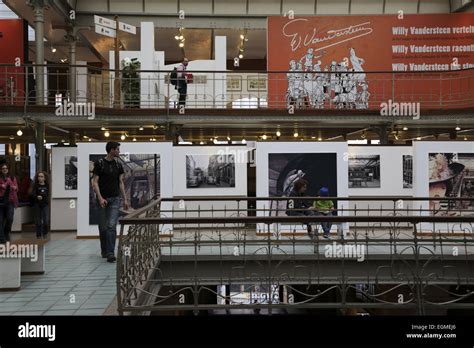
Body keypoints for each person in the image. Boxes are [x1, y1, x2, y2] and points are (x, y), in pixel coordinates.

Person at [91, 142, 129, 263]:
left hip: (115, 199)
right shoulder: (99, 164)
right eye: (117, 149)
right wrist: (100, 198)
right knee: (103, 227)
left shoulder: (118, 165)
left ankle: (111, 253)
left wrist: (125, 199)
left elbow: (121, 183)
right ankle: (105, 250)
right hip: (102, 199)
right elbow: (95, 182)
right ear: (111, 150)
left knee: (111, 226)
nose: (119, 151)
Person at [0, 161, 19, 244]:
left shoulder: (12, 177)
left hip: (10, 200)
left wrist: (14, 187)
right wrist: (1, 185)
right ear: (0, 170)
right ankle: (2, 237)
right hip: (0, 201)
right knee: (0, 220)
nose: (5, 170)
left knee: (10, 218)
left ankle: (6, 232)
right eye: (3, 168)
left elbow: (16, 188)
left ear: (8, 169)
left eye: (6, 168)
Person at [29, 171, 49, 239]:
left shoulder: (47, 185)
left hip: (45, 204)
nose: (40, 178)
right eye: (39, 176)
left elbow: (48, 194)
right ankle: (38, 235)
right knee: (38, 221)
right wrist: (37, 196)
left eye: (41, 176)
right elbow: (32, 194)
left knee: (46, 220)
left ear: (44, 178)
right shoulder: (35, 185)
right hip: (37, 204)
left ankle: (45, 233)